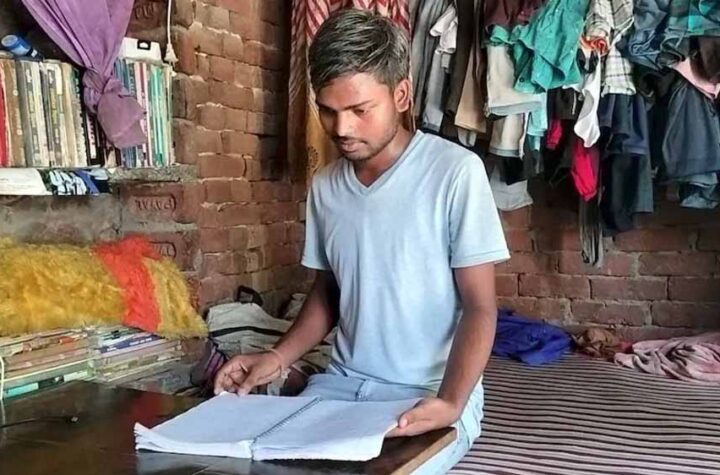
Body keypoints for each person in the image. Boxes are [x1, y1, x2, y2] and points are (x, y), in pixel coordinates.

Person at [214, 9, 509, 474]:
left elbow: (480, 307)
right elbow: (330, 292)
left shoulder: (454, 173)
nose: (342, 129)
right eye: (328, 110)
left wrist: (452, 402)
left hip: (427, 394)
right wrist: (276, 357)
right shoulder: (326, 186)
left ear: (401, 95)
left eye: (360, 110)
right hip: (340, 387)